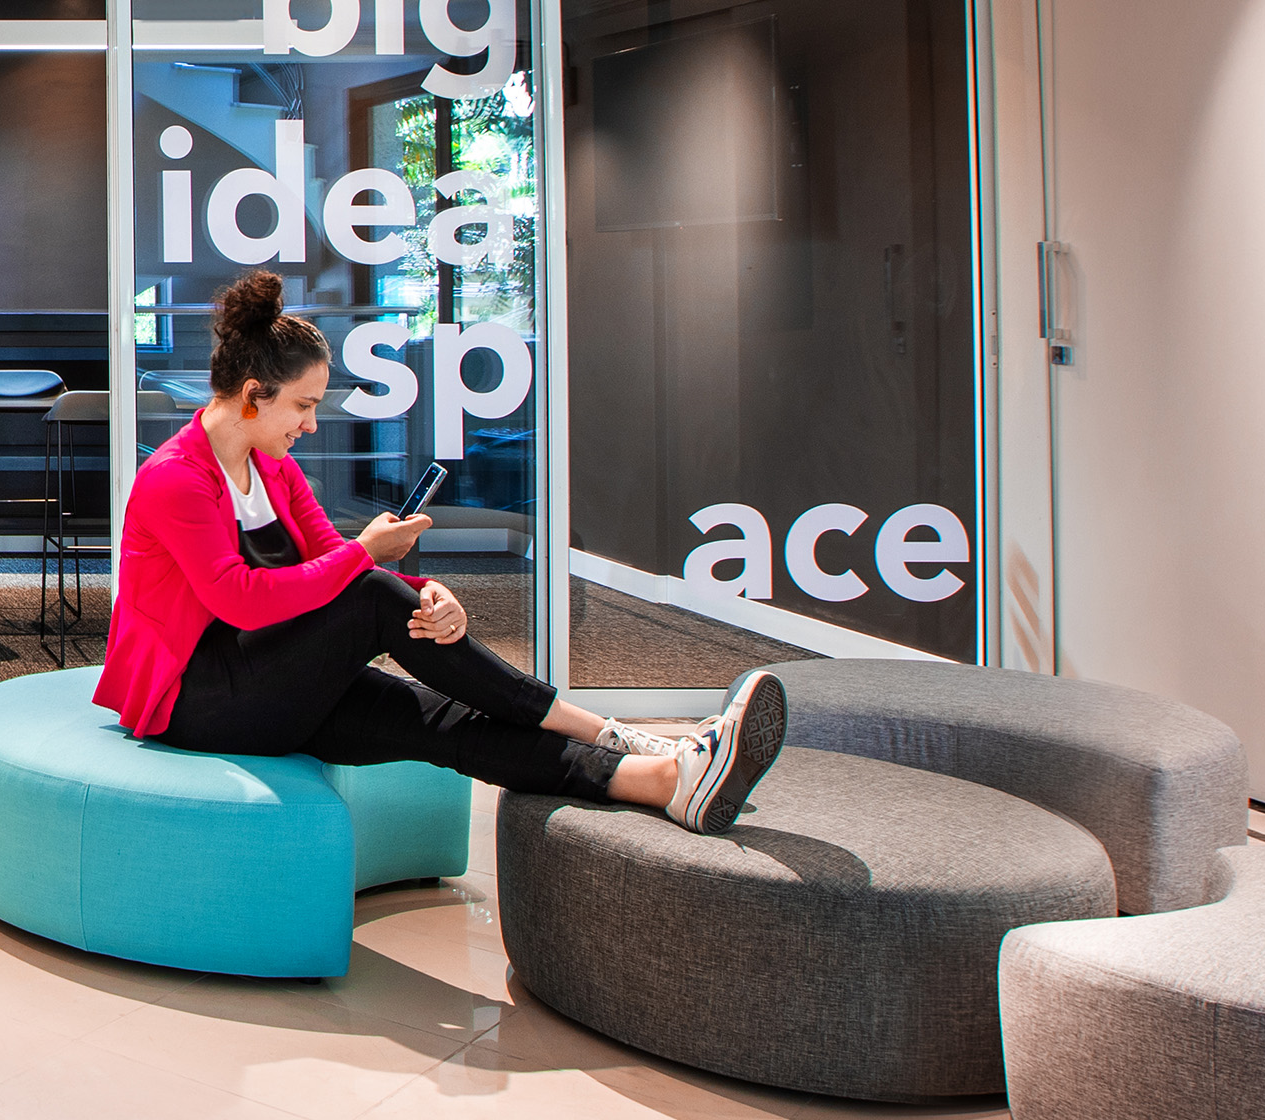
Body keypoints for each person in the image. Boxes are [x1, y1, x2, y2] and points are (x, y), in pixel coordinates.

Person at [93, 270, 782, 832]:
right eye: (302, 406)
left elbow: (331, 556)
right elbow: (238, 602)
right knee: (368, 593)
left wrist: (427, 595)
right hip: (195, 697)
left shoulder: (271, 465)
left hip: (267, 674)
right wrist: (371, 561)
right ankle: (611, 732)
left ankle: (663, 780)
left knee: (439, 723)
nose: (309, 423)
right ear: (252, 396)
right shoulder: (175, 480)